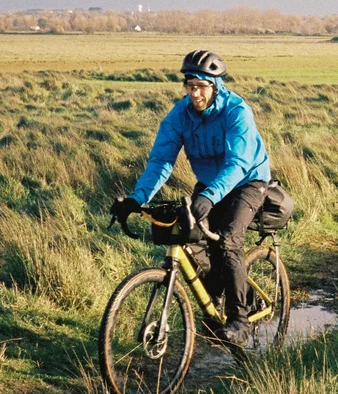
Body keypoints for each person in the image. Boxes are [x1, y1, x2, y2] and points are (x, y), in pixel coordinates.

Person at [111, 49, 271, 342]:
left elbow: (238, 163)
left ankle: (240, 320)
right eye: (189, 85)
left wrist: (209, 196)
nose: (194, 93)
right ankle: (220, 298)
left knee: (228, 240)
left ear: (215, 85)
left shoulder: (236, 111)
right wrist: (137, 198)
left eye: (201, 86)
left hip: (248, 180)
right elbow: (161, 161)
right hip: (210, 184)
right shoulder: (179, 116)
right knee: (191, 240)